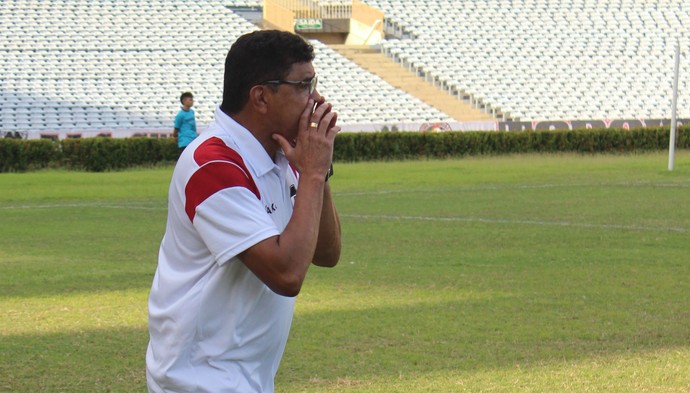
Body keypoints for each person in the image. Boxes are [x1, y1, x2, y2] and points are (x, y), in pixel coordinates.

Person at [146, 30, 342, 393]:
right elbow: (286, 275)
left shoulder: (285, 154)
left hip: (243, 377)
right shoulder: (211, 165)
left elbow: (327, 254)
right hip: (197, 379)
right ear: (261, 97)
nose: (316, 97)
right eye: (303, 85)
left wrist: (319, 173)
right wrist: (312, 173)